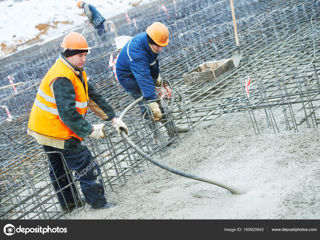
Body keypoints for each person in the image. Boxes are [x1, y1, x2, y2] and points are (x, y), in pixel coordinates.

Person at [27, 32, 128, 212]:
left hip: (43, 127)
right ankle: (98, 203)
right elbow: (68, 115)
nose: (84, 59)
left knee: (59, 168)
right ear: (68, 54)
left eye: (85, 55)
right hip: (55, 129)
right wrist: (90, 130)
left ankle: (70, 204)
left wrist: (113, 118)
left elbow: (93, 96)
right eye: (80, 56)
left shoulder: (75, 70)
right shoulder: (62, 77)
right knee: (85, 163)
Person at [115, 22, 188, 142]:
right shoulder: (137, 53)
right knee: (147, 106)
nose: (160, 49)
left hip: (142, 72)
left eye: (162, 46)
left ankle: (172, 129)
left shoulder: (153, 39)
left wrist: (157, 78)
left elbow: (152, 63)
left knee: (159, 102)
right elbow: (143, 78)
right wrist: (151, 100)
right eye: (158, 46)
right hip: (129, 79)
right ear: (150, 41)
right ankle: (157, 137)